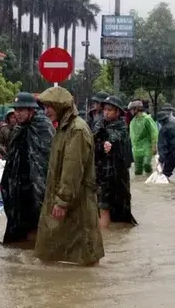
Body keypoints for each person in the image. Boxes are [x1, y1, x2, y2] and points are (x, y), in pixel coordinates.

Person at [34, 86, 104, 266]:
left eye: (49, 106)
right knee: (54, 251)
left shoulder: (77, 130)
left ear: (60, 106)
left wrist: (62, 201)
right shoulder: (64, 129)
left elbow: (72, 168)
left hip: (76, 201)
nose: (46, 111)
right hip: (66, 198)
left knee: (84, 251)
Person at [0, 92, 54, 245]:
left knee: (36, 223)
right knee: (19, 224)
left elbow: (46, 159)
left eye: (21, 110)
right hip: (19, 184)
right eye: (16, 110)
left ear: (31, 110)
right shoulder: (18, 128)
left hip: (36, 186)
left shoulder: (43, 127)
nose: (17, 114)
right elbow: (12, 157)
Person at [93, 96, 137, 228]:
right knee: (102, 205)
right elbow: (93, 140)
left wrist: (108, 142)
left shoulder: (121, 127)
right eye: (105, 109)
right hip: (101, 172)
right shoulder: (98, 124)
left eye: (110, 110)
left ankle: (108, 239)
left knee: (115, 206)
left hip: (117, 174)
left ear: (117, 112)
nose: (106, 112)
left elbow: (115, 138)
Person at [128, 100, 158, 176]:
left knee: (146, 164)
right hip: (136, 149)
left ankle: (150, 178)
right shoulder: (133, 122)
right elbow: (131, 136)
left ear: (137, 109)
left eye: (131, 109)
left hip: (147, 147)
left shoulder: (147, 119)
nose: (130, 112)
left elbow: (153, 132)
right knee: (138, 170)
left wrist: (154, 146)